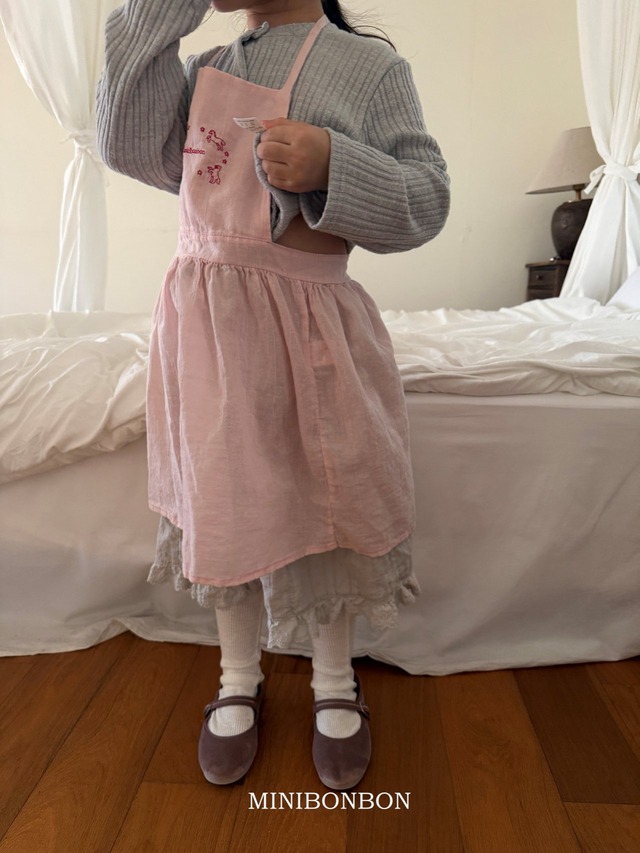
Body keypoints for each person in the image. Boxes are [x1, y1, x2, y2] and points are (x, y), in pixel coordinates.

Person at [96, 0, 450, 791]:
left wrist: (335, 165)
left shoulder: (369, 68)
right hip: (210, 331)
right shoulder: (206, 69)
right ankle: (236, 674)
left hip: (312, 324)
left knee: (330, 493)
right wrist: (154, 14)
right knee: (224, 498)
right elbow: (124, 144)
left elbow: (426, 197)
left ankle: (334, 679)